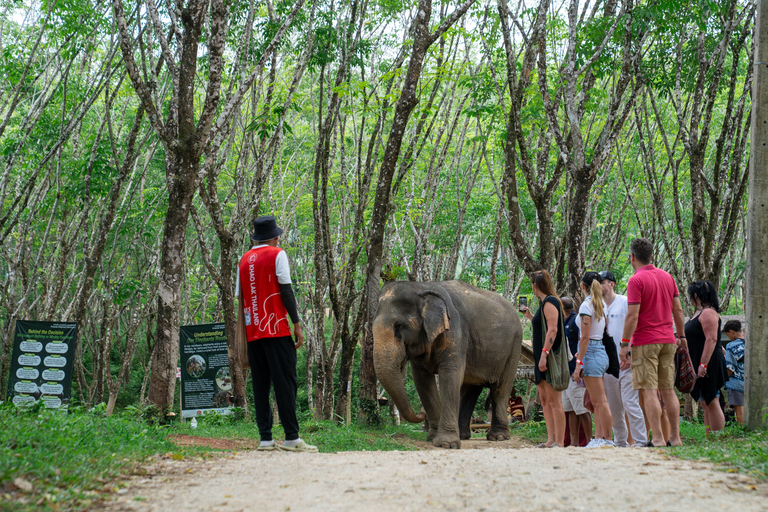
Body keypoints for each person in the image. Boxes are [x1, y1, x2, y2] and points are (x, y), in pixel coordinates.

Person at [236, 215, 317, 452]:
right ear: (274, 237)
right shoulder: (277, 254)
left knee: (260, 385)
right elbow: (285, 289)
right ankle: (292, 437)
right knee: (285, 383)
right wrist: (297, 323)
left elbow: (240, 297)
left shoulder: (243, 260)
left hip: (253, 333)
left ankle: (265, 439)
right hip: (277, 329)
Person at [619, 238, 686, 447]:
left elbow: (632, 316)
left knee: (649, 390)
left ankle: (657, 438)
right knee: (667, 390)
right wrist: (681, 336)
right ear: (652, 256)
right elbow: (678, 310)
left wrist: (624, 344)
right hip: (668, 340)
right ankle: (675, 438)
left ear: (632, 258)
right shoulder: (668, 277)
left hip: (646, 341)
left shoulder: (636, 280)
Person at [599, 271, 647, 447]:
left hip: (628, 361)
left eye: (601, 281)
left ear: (611, 284)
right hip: (607, 364)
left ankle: (641, 441)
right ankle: (620, 442)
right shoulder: (599, 306)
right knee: (614, 406)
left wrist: (630, 354)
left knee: (630, 403)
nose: (598, 284)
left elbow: (637, 326)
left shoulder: (625, 302)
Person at [520, 270, 566, 448]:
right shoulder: (543, 304)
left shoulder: (550, 302)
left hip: (549, 358)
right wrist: (531, 317)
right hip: (541, 357)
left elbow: (553, 330)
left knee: (555, 400)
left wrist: (544, 354)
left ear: (536, 285)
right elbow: (543, 326)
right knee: (545, 400)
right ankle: (551, 439)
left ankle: (560, 441)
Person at [573, 271, 614, 447]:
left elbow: (585, 337)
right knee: (598, 401)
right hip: (600, 352)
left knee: (599, 401)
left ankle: (606, 438)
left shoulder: (585, 306)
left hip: (591, 353)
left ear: (583, 286)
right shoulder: (601, 305)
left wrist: (578, 363)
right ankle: (599, 437)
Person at [685, 281, 727, 433]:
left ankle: (717, 438)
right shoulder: (699, 312)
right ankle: (710, 437)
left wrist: (703, 364)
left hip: (708, 363)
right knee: (705, 402)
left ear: (696, 295)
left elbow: (712, 339)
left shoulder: (708, 312)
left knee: (712, 400)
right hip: (699, 362)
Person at [560, 296, 592, 447]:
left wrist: (580, 366)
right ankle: (574, 442)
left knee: (582, 409)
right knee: (571, 409)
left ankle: (590, 441)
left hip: (575, 371)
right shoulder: (564, 322)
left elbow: (583, 341)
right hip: (566, 373)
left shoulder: (575, 322)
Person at [722, 319, 745, 424]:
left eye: (728, 335)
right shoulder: (747, 343)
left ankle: (742, 432)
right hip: (747, 382)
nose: (728, 338)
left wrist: (722, 379)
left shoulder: (731, 346)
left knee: (739, 411)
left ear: (731, 331)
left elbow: (730, 368)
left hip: (736, 383)